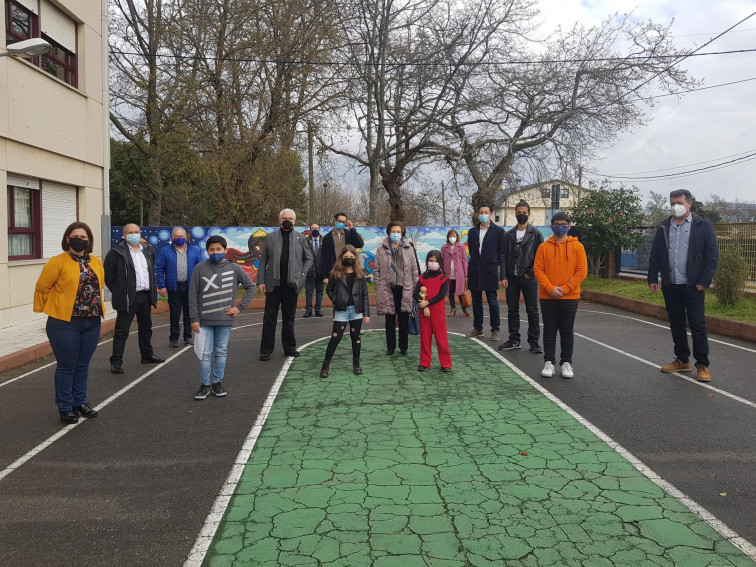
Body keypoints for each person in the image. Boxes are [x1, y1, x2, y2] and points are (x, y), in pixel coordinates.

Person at [34, 222, 105, 423]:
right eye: (76, 236)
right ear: (67, 239)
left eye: (84, 237)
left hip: (91, 322)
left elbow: (99, 287)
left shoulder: (96, 262)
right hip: (65, 324)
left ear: (89, 240)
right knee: (67, 366)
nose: (80, 240)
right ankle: (65, 407)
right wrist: (56, 307)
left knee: (83, 365)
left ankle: (79, 403)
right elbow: (42, 287)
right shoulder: (58, 262)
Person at [648, 189, 719, 382]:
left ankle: (702, 365)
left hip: (693, 285)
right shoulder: (665, 226)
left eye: (678, 202)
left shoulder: (702, 226)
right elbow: (655, 254)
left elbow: (712, 256)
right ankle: (682, 360)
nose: (675, 207)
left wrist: (704, 281)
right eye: (672, 203)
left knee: (697, 324)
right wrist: (653, 277)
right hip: (671, 284)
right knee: (676, 324)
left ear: (689, 204)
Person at [189, 236, 256, 400]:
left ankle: (217, 383)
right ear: (207, 251)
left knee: (221, 352)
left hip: (225, 320)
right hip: (204, 321)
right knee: (205, 354)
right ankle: (205, 385)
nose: (215, 252)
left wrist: (239, 307)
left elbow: (251, 287)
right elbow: (192, 295)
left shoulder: (234, 268)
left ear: (225, 250)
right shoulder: (200, 268)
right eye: (211, 250)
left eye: (218, 249)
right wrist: (194, 318)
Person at [533, 211, 588, 379]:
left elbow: (582, 271)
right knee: (549, 329)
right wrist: (550, 288)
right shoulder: (543, 247)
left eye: (564, 225)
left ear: (569, 226)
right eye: (557, 224)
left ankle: (566, 363)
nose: (560, 227)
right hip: (548, 296)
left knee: (566, 330)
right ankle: (548, 362)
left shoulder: (577, 246)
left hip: (570, 297)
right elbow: (538, 270)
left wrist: (565, 288)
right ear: (551, 226)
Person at [105, 223, 165, 374]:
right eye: (130, 232)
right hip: (128, 297)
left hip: (145, 296)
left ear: (140, 233)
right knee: (122, 330)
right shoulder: (116, 252)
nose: (134, 234)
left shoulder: (148, 250)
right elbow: (109, 277)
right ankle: (116, 361)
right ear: (124, 235)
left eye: (136, 231)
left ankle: (147, 355)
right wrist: (120, 290)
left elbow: (151, 272)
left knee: (146, 328)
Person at [258, 209, 313, 360]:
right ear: (279, 220)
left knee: (289, 318)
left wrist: (302, 274)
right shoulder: (269, 238)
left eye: (290, 218)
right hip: (272, 284)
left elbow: (309, 259)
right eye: (284, 218)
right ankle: (266, 350)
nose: (287, 220)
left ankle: (289, 347)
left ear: (294, 221)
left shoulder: (301, 238)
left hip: (291, 284)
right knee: (269, 318)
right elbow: (263, 262)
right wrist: (260, 281)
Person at [499, 200, 544, 354]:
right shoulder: (509, 234)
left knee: (532, 310)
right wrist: (503, 275)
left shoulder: (536, 234)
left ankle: (534, 342)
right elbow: (503, 255)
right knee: (512, 310)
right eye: (519, 212)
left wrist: (529, 273)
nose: (521, 215)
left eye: (524, 213)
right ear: (515, 213)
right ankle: (514, 339)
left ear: (529, 214)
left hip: (529, 278)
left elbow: (540, 257)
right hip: (512, 278)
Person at [319, 245, 370, 378]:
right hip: (341, 310)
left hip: (356, 310)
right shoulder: (335, 273)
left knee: (356, 338)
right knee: (335, 337)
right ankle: (325, 365)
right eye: (346, 257)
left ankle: (356, 364)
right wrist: (336, 300)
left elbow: (365, 294)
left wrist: (366, 314)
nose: (349, 259)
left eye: (351, 257)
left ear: (355, 258)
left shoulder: (360, 274)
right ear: (341, 258)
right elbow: (329, 289)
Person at [374, 221, 420, 356]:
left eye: (398, 231)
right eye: (393, 231)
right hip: (388, 289)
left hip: (404, 289)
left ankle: (403, 347)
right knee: (389, 319)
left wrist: (414, 288)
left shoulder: (409, 248)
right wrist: (378, 286)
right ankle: (390, 347)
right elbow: (376, 270)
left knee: (404, 319)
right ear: (389, 232)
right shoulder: (381, 249)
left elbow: (414, 269)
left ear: (402, 233)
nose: (395, 234)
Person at [155, 227, 203, 347]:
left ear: (186, 237)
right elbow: (159, 269)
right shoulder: (165, 251)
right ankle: (174, 339)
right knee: (175, 314)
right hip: (173, 287)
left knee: (189, 313)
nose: (179, 238)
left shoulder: (194, 250)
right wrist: (161, 286)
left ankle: (188, 337)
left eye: (182, 236)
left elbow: (201, 268)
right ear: (172, 238)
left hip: (190, 288)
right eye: (176, 236)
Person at [466, 204, 506, 341]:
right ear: (478, 214)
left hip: (490, 271)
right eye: (481, 212)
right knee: (476, 302)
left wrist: (502, 276)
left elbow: (501, 254)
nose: (483, 214)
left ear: (491, 214)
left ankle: (495, 329)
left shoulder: (499, 231)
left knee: (493, 302)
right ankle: (478, 328)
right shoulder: (472, 232)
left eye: (486, 212)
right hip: (475, 270)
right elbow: (472, 251)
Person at [414, 250, 452, 372]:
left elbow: (441, 295)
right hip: (424, 311)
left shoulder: (444, 278)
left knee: (441, 337)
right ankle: (424, 362)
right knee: (425, 337)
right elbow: (416, 293)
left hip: (437, 311)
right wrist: (424, 306)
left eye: (436, 261)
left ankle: (446, 363)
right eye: (431, 261)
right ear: (427, 262)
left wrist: (428, 303)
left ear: (440, 263)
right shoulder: (422, 277)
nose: (433, 263)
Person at [317, 212, 365, 284]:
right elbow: (324, 257)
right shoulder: (327, 237)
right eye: (340, 221)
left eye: (343, 222)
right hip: (333, 270)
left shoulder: (349, 234)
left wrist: (351, 228)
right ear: (335, 221)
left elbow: (360, 244)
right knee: (334, 293)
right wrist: (325, 277)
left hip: (348, 269)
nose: (341, 223)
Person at [441, 229, 469, 317]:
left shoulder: (461, 247)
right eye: (450, 236)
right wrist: (442, 273)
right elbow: (441, 261)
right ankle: (453, 309)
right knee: (450, 293)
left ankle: (464, 309)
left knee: (461, 293)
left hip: (459, 275)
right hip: (448, 275)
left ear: (457, 237)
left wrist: (465, 275)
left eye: (453, 236)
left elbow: (464, 261)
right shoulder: (444, 247)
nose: (451, 238)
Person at [304, 223, 325, 317]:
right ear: (310, 230)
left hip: (321, 271)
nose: (315, 229)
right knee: (309, 292)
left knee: (320, 292)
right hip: (309, 270)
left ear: (320, 230)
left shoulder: (324, 241)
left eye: (317, 228)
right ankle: (308, 310)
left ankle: (318, 309)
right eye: (313, 228)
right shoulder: (305, 241)